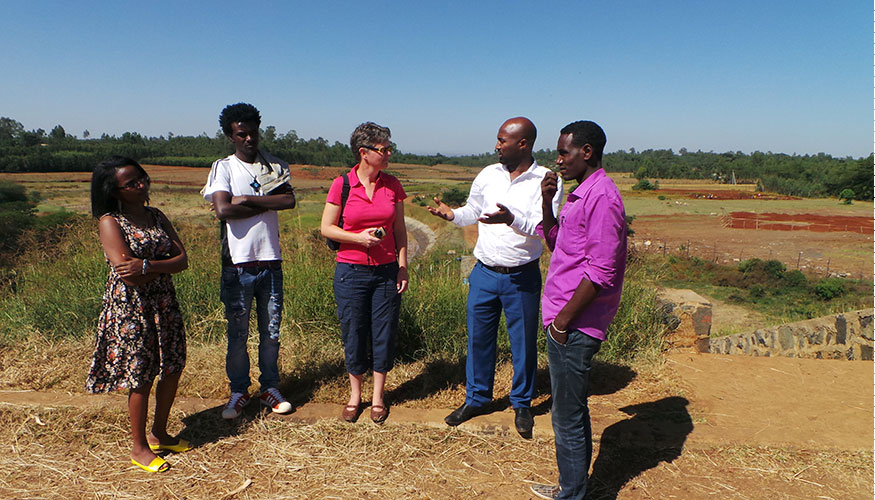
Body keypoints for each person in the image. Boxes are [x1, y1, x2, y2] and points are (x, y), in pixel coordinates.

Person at [427, 117, 561, 438]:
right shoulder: (488, 173)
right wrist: (452, 215)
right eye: (498, 140)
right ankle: (477, 398)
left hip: (521, 278)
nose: (497, 145)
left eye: (503, 140)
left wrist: (511, 219)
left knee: (523, 344)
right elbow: (473, 209)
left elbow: (544, 229)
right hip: (484, 273)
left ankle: (522, 403)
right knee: (478, 339)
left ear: (523, 144)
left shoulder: (546, 181)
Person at [529, 121, 627, 500]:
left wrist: (562, 323)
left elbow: (602, 271)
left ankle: (571, 495)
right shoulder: (579, 194)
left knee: (566, 415)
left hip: (574, 325)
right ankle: (572, 487)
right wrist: (547, 202)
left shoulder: (602, 197)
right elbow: (560, 245)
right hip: (564, 319)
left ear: (586, 152)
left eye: (564, 152)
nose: (558, 160)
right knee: (572, 409)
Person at [86, 156, 190, 473]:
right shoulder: (110, 222)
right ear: (115, 191)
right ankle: (139, 447)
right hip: (132, 307)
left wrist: (146, 266)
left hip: (163, 302)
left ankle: (159, 434)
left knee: (173, 365)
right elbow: (127, 277)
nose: (141, 185)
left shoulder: (156, 216)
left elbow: (183, 260)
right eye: (131, 183)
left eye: (142, 178)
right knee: (141, 374)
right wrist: (156, 268)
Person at [202, 103, 296, 419]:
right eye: (241, 134)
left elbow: (289, 200)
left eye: (253, 133)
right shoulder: (223, 168)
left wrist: (248, 200)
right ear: (231, 136)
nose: (249, 139)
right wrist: (266, 205)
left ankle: (269, 387)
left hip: (270, 261)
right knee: (238, 335)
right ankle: (239, 392)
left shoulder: (275, 166)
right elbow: (223, 210)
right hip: (237, 264)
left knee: (271, 333)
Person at [320, 122, 408, 424]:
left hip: (385, 272)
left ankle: (379, 397)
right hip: (350, 271)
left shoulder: (392, 184)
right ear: (364, 152)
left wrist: (402, 266)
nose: (388, 154)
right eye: (383, 149)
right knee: (354, 331)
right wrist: (360, 238)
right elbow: (326, 227)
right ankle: (355, 395)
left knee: (383, 332)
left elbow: (400, 230)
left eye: (388, 148)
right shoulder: (342, 185)